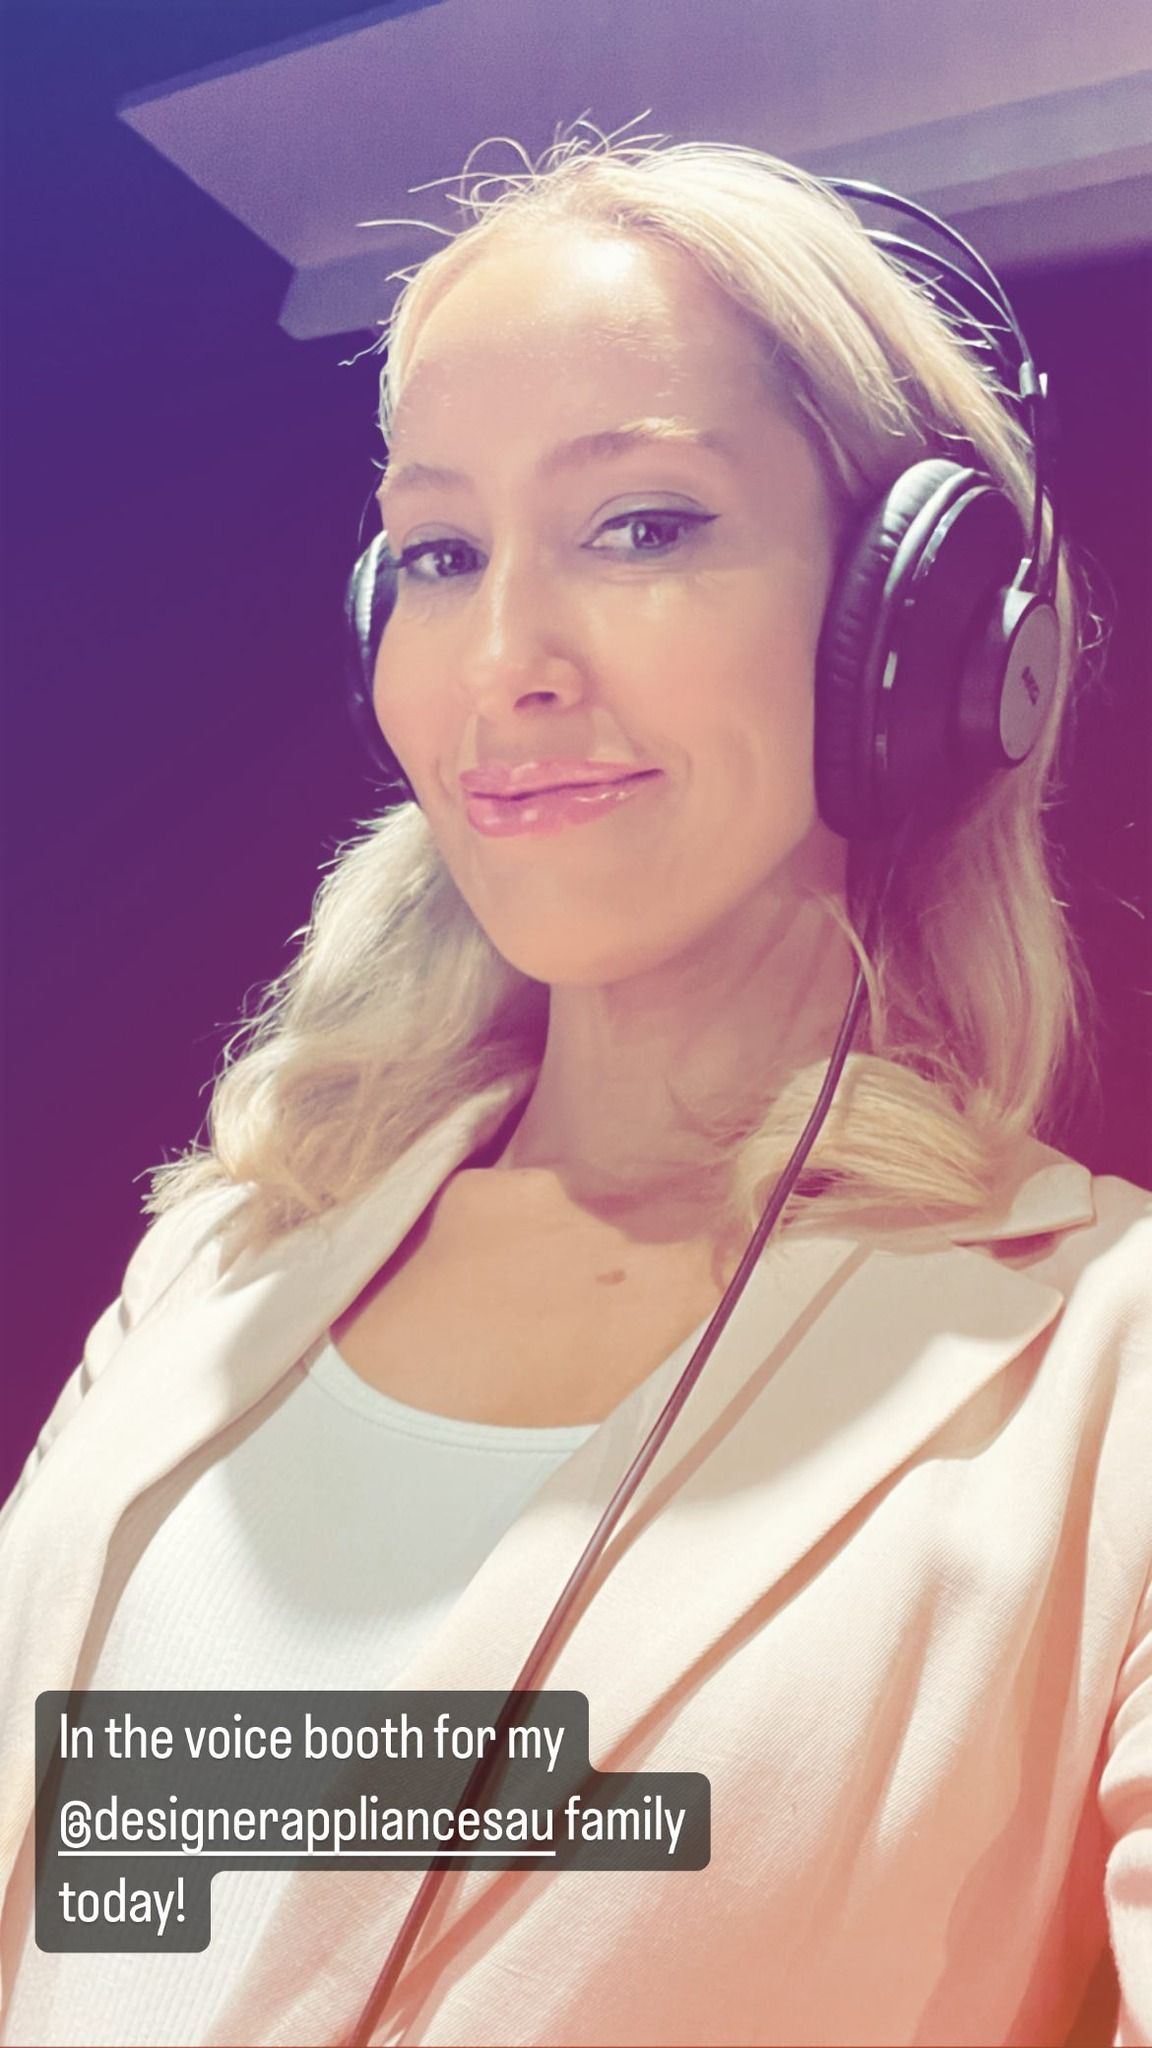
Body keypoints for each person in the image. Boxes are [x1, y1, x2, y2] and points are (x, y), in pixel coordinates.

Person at [1, 123, 1149, 2048]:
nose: (501, 663)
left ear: (921, 625)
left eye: (643, 525)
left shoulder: (1112, 1379)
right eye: (440, 555)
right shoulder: (218, 1258)